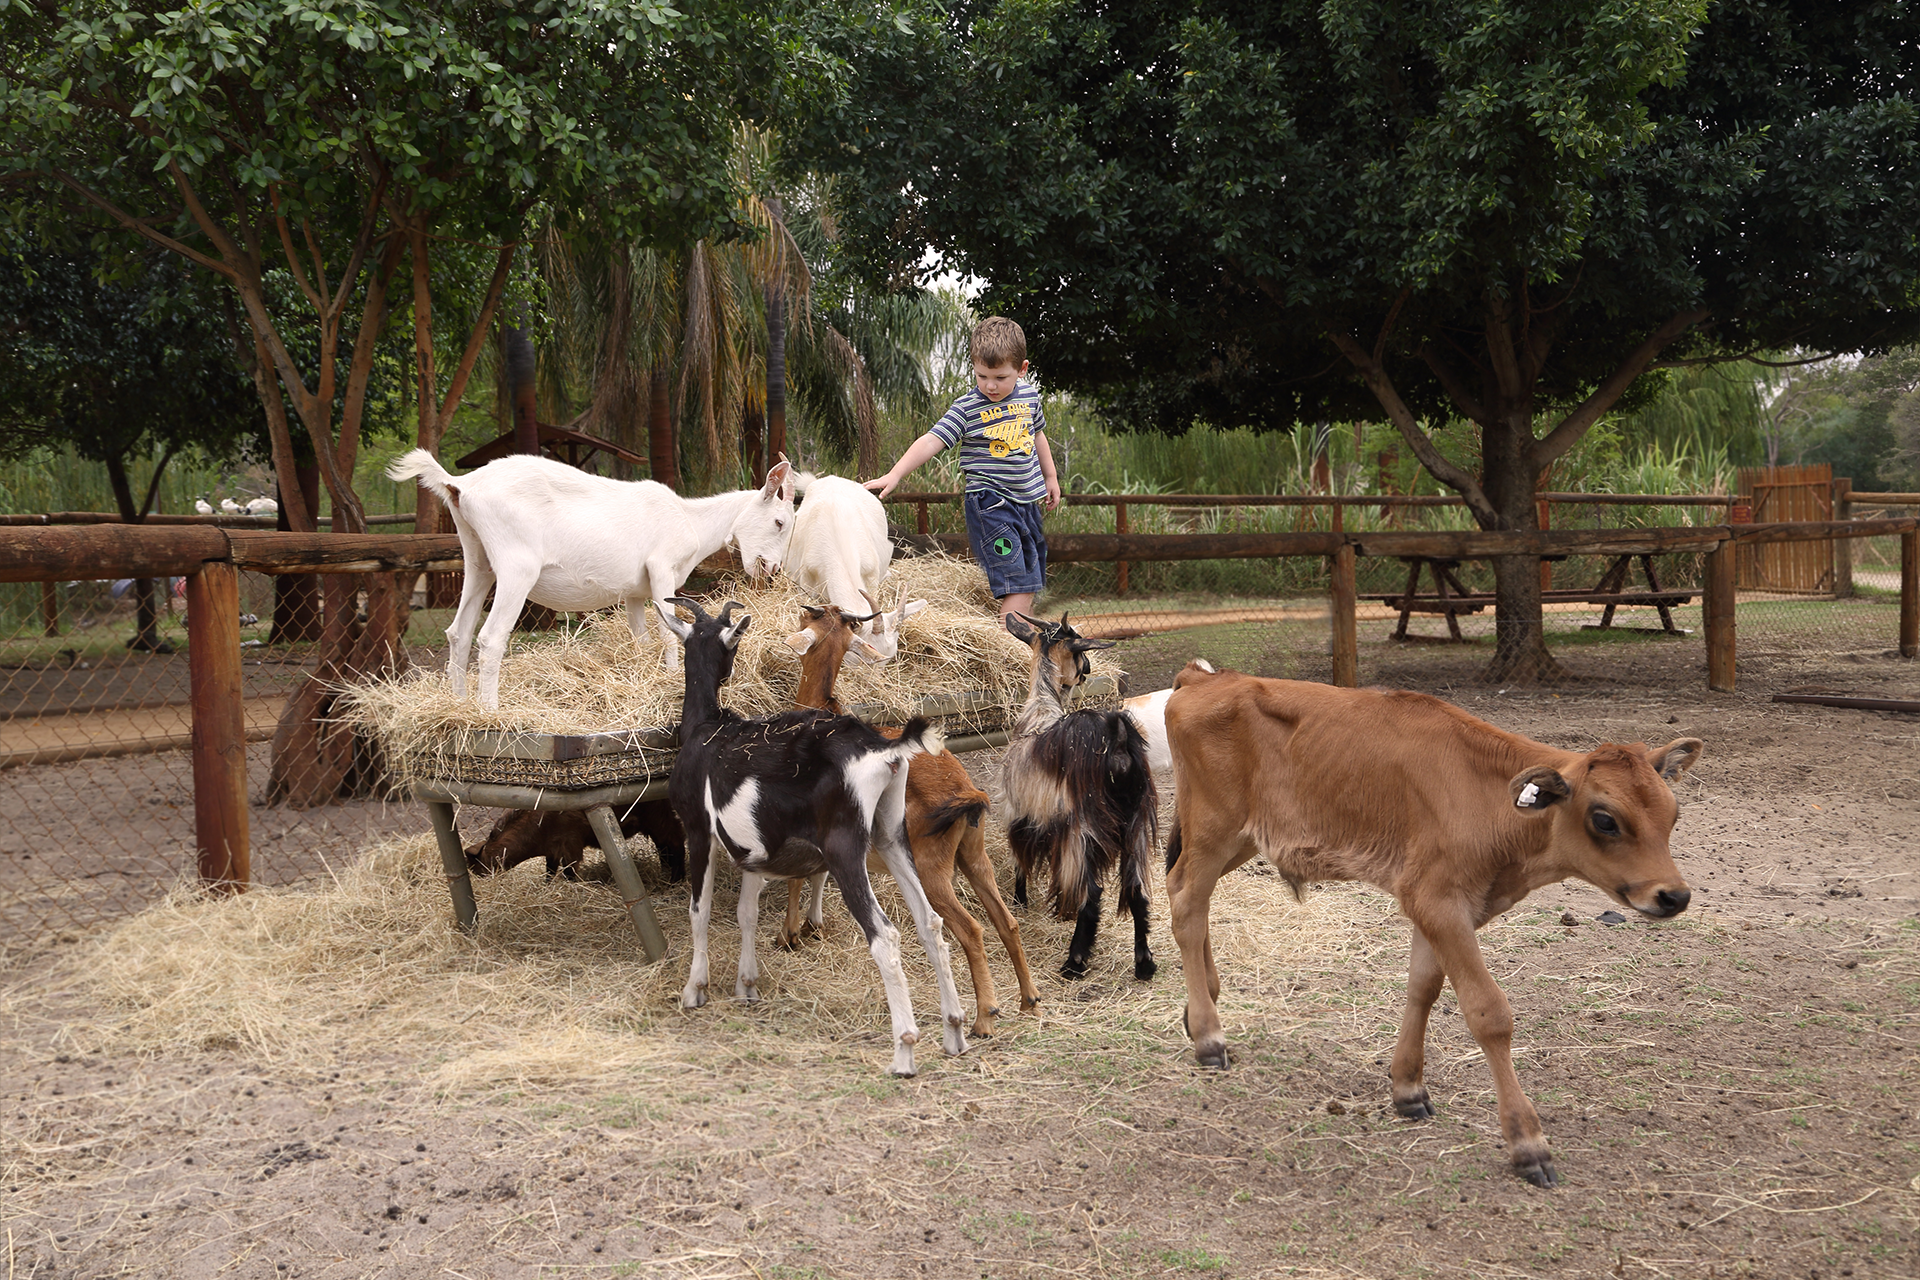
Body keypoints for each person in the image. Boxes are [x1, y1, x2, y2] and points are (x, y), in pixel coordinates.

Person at [865, 316, 1062, 619]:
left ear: (1022, 369)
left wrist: (1050, 477)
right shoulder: (968, 407)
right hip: (991, 504)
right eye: (982, 376)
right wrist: (896, 473)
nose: (990, 385)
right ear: (974, 366)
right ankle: (1010, 651)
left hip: (1027, 502)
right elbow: (932, 440)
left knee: (1031, 577)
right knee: (1019, 582)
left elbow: (1037, 435)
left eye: (1000, 377)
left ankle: (1019, 644)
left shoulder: (1030, 397)